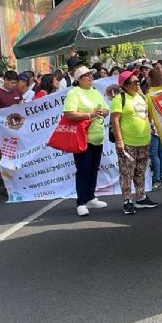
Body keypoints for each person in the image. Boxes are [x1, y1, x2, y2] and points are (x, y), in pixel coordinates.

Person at [63, 65, 109, 217]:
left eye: (91, 75)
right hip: (83, 138)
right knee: (83, 169)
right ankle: (81, 202)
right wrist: (89, 115)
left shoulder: (95, 92)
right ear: (79, 80)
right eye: (87, 75)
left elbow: (106, 110)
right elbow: (69, 114)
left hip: (97, 137)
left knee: (94, 168)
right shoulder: (74, 92)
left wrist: (103, 112)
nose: (91, 77)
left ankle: (90, 197)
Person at [110, 70, 158, 215]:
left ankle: (141, 197)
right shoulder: (120, 99)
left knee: (140, 171)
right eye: (134, 82)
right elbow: (115, 120)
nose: (138, 84)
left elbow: (148, 114)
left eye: (138, 81)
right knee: (127, 172)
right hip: (128, 143)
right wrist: (119, 141)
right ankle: (127, 200)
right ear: (124, 85)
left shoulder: (141, 97)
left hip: (144, 141)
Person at [147, 67, 162, 189]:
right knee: (161, 152)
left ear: (151, 78)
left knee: (154, 153)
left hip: (153, 126)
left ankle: (156, 179)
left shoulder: (149, 93)